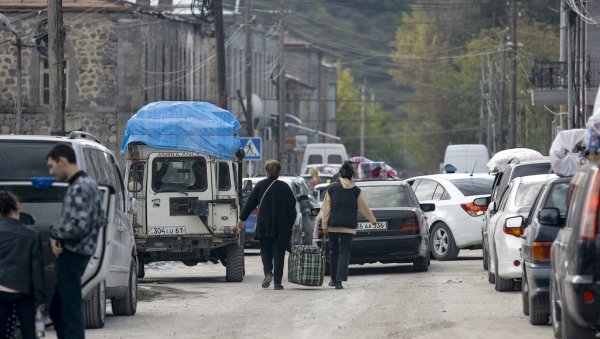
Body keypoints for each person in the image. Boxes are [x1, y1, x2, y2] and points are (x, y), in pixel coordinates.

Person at [46, 144, 105, 339]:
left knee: (70, 314)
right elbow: (98, 219)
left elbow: (79, 225)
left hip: (73, 256)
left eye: (51, 166)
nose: (51, 172)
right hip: (79, 253)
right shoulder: (88, 184)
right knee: (57, 311)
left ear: (62, 161)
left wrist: (55, 232)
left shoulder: (79, 187)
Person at [236, 160, 296, 290]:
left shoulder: (260, 185)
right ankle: (277, 283)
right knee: (279, 253)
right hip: (281, 227)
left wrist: (241, 219)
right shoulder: (285, 187)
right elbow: (292, 210)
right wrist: (290, 224)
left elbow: (250, 203)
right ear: (278, 172)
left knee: (265, 251)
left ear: (267, 171)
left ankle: (268, 272)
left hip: (264, 224)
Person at [321, 161, 376, 289]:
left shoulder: (331, 188)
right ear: (352, 175)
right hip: (348, 227)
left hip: (333, 226)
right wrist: (372, 220)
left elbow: (326, 209)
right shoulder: (356, 190)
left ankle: (333, 280)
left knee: (334, 252)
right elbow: (364, 207)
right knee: (344, 252)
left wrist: (324, 225)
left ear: (340, 173)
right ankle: (339, 281)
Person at [0, 191, 46, 339]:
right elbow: (37, 270)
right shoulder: (32, 235)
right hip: (24, 292)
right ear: (17, 206)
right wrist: (40, 299)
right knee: (28, 333)